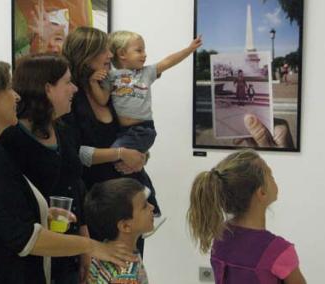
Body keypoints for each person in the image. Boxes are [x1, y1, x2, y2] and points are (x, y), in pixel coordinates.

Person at [0, 58, 136, 284]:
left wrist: (42, 213)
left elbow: (0, 208)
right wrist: (93, 246)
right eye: (8, 89)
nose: (16, 96)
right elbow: (24, 237)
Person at [62, 27, 165, 253]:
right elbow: (73, 153)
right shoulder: (72, 98)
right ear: (86, 55)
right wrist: (121, 154)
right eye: (104, 50)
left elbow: (133, 136)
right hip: (97, 207)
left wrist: (141, 157)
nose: (111, 55)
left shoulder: (111, 89)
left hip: (128, 207)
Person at [0, 54, 90, 284]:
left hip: (68, 250)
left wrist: (84, 241)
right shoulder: (11, 139)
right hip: (32, 257)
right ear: (48, 88)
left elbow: (76, 186)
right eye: (68, 82)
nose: (75, 89)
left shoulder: (64, 130)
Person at [187, 149, 306, 284]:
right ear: (261, 193)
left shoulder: (220, 237)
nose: (274, 178)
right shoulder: (279, 251)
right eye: (271, 175)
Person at [91, 30, 202, 153]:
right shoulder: (110, 76)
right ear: (122, 54)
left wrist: (189, 49)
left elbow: (168, 61)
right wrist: (93, 82)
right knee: (118, 159)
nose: (145, 55)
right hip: (121, 130)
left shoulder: (146, 73)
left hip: (142, 130)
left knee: (113, 154)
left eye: (144, 50)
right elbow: (102, 99)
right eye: (139, 50)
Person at [84, 178, 153, 284]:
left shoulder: (125, 255)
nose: (152, 207)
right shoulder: (121, 270)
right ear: (125, 226)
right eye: (144, 206)